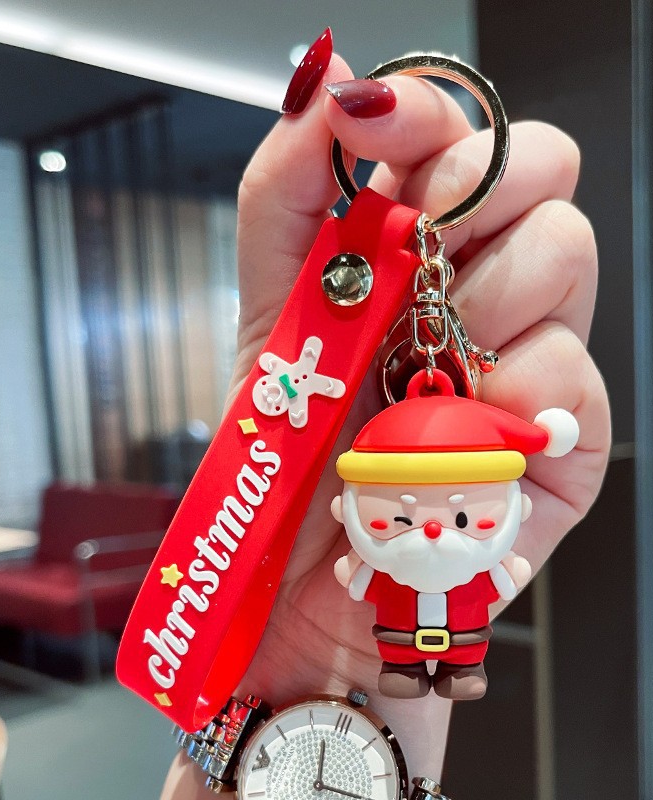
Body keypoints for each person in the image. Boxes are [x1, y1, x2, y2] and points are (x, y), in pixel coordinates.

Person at [160, 28, 610, 798]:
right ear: (349, 500)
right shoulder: (372, 553)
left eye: (459, 514)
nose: (434, 526)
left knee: (439, 649)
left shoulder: (425, 557)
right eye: (403, 509)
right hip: (370, 649)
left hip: (407, 662)